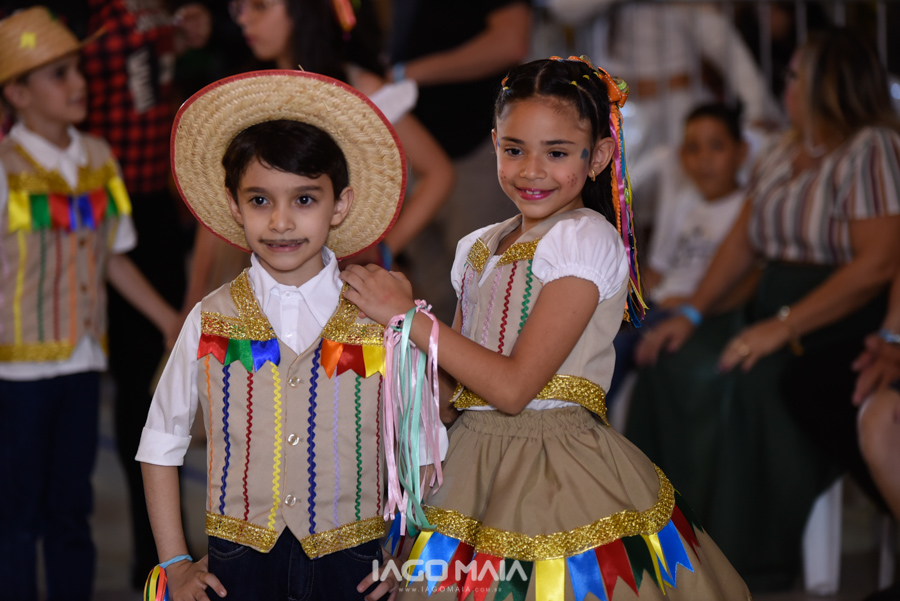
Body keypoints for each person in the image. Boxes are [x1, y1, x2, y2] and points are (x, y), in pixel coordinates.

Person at [341, 56, 750, 600]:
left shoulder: (585, 240)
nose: (531, 170)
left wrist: (409, 318)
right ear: (494, 144)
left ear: (598, 156)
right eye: (514, 150)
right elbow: (454, 396)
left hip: (557, 468)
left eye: (556, 153)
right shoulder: (478, 247)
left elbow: (514, 389)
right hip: (468, 463)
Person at [136, 69, 448, 601]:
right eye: (260, 201)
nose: (281, 222)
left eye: (304, 200)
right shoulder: (210, 318)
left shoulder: (380, 321)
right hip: (239, 564)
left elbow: (423, 444)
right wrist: (175, 561)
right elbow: (161, 442)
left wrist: (409, 557)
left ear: (339, 205)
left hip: (354, 562)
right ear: (234, 205)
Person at [628, 28, 900, 591]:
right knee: (670, 362)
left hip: (836, 312)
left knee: (750, 379)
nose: (787, 86)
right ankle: (659, 535)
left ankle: (745, 557)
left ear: (831, 85)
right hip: (767, 303)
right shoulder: (782, 148)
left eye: (797, 75)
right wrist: (693, 314)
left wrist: (782, 328)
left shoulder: (873, 148)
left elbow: (877, 264)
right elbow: (744, 242)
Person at [0, 8, 179, 600]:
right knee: (16, 514)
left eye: (77, 69)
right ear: (17, 94)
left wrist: (167, 319)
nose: (79, 83)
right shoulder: (5, 169)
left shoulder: (100, 157)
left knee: (71, 507)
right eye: (59, 75)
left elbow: (112, 257)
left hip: (82, 362)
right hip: (17, 371)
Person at [181, 0, 453, 310]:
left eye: (260, 6)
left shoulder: (356, 87)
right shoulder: (245, 96)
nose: (244, 19)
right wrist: (194, 297)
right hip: (261, 274)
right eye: (238, 8)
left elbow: (439, 173)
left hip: (344, 285)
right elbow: (220, 195)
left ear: (302, 11)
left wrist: (384, 249)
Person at [387, 0, 532, 321]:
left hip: (475, 152)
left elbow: (510, 42)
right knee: (435, 303)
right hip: (415, 157)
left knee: (491, 301)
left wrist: (405, 73)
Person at [609, 102, 749, 397]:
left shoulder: (745, 208)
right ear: (682, 157)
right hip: (658, 306)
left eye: (716, 146)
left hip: (698, 312)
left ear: (742, 152)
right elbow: (656, 271)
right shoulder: (684, 204)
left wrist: (689, 305)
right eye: (693, 148)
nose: (704, 159)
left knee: (615, 352)